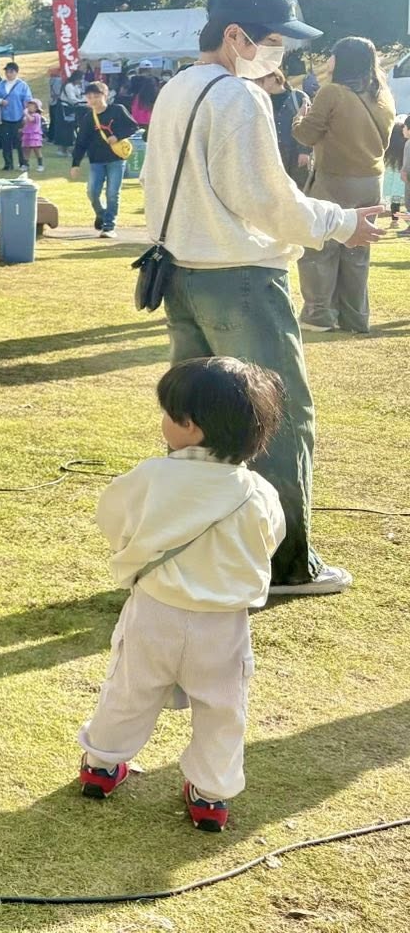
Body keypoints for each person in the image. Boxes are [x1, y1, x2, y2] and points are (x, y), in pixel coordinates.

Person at [141, 0, 386, 598]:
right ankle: (284, 563)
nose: (282, 53)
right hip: (242, 276)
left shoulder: (177, 88)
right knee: (276, 416)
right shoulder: (237, 94)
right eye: (274, 40)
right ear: (236, 36)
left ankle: (197, 546)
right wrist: (341, 222)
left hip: (181, 272)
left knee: (196, 419)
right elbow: (265, 199)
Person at [77, 357, 285, 833]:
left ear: (190, 425)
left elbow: (113, 518)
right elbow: (269, 540)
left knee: (129, 689)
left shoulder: (151, 476)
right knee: (222, 707)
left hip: (156, 610)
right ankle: (211, 794)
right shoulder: (257, 491)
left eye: (169, 413)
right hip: (223, 623)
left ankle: (101, 766)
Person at [292, 36, 394, 334]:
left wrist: (298, 120)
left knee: (321, 245)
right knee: (357, 250)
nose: (328, 61)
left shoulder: (332, 92)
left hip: (334, 179)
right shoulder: (383, 96)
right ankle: (355, 317)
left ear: (341, 60)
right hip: (371, 182)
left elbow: (306, 135)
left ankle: (319, 315)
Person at [70, 80, 137, 237]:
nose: (93, 100)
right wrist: (75, 164)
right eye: (89, 97)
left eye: (96, 96)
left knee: (113, 193)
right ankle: (101, 214)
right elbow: (81, 142)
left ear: (105, 95)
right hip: (96, 160)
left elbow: (133, 126)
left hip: (116, 158)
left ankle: (109, 226)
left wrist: (117, 136)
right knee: (92, 192)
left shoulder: (117, 110)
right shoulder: (88, 118)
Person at [257, 68, 305, 181]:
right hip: (275, 154)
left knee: (300, 186)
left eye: (261, 80)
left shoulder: (298, 97)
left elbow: (307, 124)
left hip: (296, 152)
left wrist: (304, 151)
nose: (258, 84)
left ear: (274, 78)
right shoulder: (262, 100)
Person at [0, 61, 33, 171]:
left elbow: (28, 101)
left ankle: (23, 163)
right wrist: (0, 101)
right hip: (4, 118)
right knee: (6, 142)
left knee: (20, 142)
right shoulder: (1, 85)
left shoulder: (22, 85)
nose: (8, 74)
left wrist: (26, 115)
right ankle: (8, 163)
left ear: (16, 72)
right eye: (7, 72)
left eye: (11, 72)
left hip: (19, 117)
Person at [20, 98, 47, 174]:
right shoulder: (27, 116)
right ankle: (25, 164)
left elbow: (31, 119)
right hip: (27, 135)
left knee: (36, 150)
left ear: (36, 108)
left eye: (32, 106)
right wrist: (22, 129)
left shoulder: (37, 115)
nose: (29, 108)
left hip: (35, 135)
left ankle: (40, 165)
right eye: (29, 106)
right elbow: (26, 123)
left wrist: (26, 113)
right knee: (26, 150)